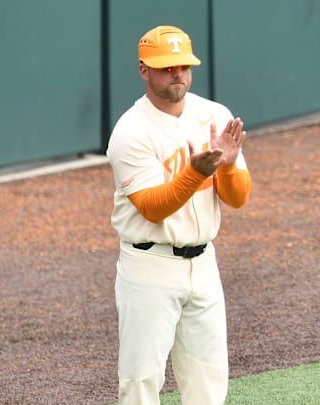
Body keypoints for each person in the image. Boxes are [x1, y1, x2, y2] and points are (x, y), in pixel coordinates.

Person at [106, 25, 252, 405]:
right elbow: (153, 208)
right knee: (141, 382)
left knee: (209, 381)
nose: (177, 74)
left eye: (183, 65)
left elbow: (237, 199)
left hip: (204, 265)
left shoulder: (214, 114)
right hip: (149, 265)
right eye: (167, 67)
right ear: (144, 70)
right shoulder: (130, 131)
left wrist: (230, 167)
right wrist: (197, 172)